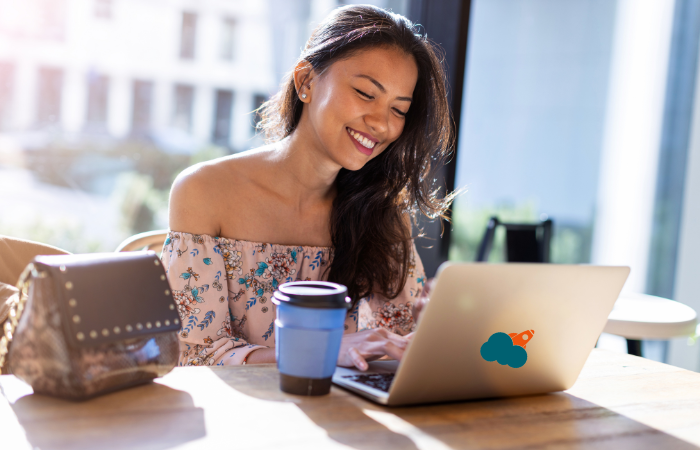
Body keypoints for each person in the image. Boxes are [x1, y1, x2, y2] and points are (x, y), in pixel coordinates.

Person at [162, 4, 455, 371]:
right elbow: (195, 355)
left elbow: (396, 341)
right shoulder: (204, 191)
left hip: (341, 418)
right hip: (237, 419)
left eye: (399, 110)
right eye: (366, 93)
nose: (381, 123)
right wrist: (324, 350)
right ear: (306, 82)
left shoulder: (382, 214)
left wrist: (431, 328)